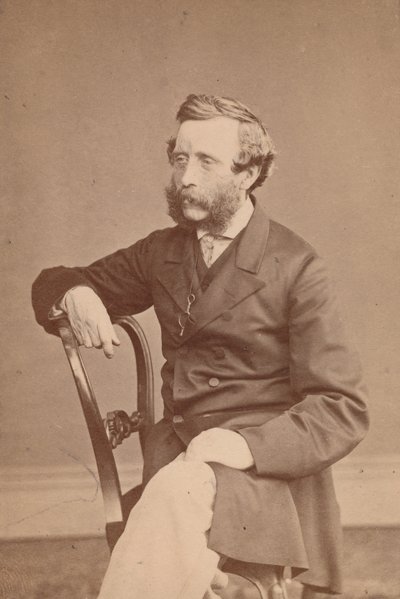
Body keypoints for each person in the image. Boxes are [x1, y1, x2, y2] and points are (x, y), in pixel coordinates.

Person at [32, 94, 369, 598]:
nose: (185, 177)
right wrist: (75, 292)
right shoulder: (162, 251)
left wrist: (246, 446)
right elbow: (53, 281)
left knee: (171, 503)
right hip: (181, 453)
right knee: (174, 503)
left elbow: (342, 408)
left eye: (206, 161)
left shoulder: (297, 267)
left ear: (248, 173)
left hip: (262, 471)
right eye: (180, 158)